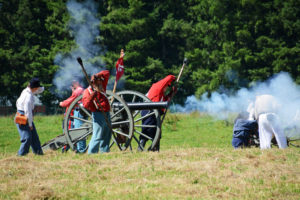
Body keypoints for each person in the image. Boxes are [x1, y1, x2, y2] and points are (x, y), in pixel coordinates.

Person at [139, 75, 177, 151]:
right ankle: (140, 148)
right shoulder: (157, 87)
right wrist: (173, 78)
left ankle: (155, 149)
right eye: (167, 86)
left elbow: (165, 100)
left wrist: (172, 92)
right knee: (147, 129)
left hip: (155, 112)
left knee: (157, 132)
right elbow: (168, 78)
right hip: (148, 111)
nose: (166, 88)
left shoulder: (161, 93)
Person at [82, 70, 112, 154]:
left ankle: (104, 151)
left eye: (100, 80)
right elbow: (85, 105)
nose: (101, 81)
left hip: (106, 112)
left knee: (107, 133)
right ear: (93, 82)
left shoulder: (102, 86)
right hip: (98, 114)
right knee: (97, 135)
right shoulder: (87, 91)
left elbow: (107, 73)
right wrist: (92, 96)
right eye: (99, 80)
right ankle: (92, 153)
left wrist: (98, 74)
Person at [15, 77, 44, 156]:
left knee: (34, 137)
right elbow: (28, 112)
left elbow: (40, 90)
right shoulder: (28, 96)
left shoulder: (27, 90)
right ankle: (21, 155)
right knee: (27, 138)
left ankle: (38, 153)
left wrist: (41, 87)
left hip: (25, 114)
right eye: (37, 87)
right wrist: (30, 124)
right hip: (23, 116)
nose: (38, 89)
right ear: (35, 88)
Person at [59, 80, 85, 153]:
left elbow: (68, 102)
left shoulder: (77, 91)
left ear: (76, 83)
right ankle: (74, 147)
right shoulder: (82, 90)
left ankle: (65, 149)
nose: (72, 85)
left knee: (67, 132)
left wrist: (61, 103)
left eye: (73, 84)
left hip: (71, 115)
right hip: (77, 115)